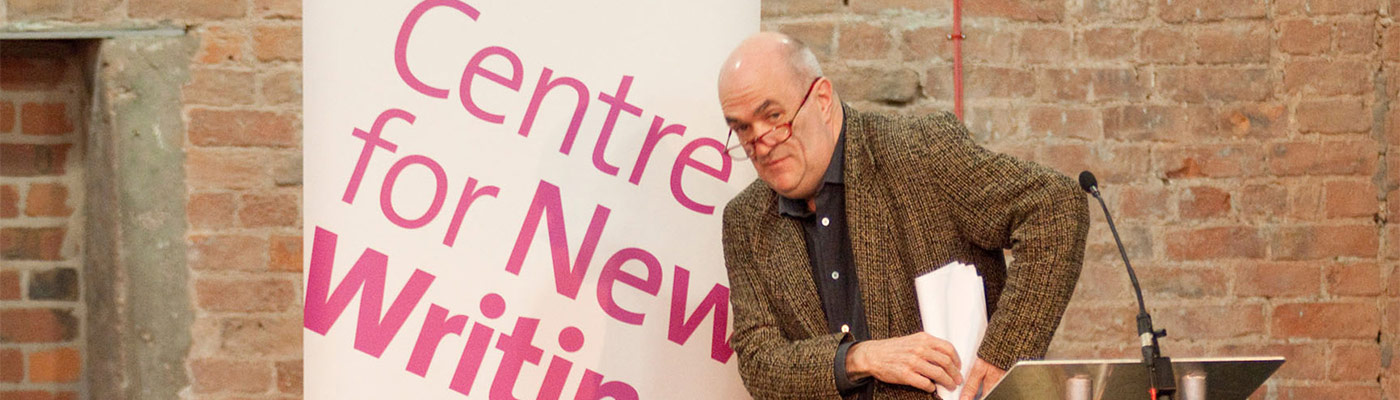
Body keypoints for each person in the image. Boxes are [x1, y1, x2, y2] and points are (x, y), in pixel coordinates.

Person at [718, 32, 1090, 400]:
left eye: (774, 117)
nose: (762, 144)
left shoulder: (918, 152)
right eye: (743, 129)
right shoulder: (745, 220)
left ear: (822, 99)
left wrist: (1004, 359)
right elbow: (758, 361)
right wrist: (859, 356)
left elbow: (1055, 207)